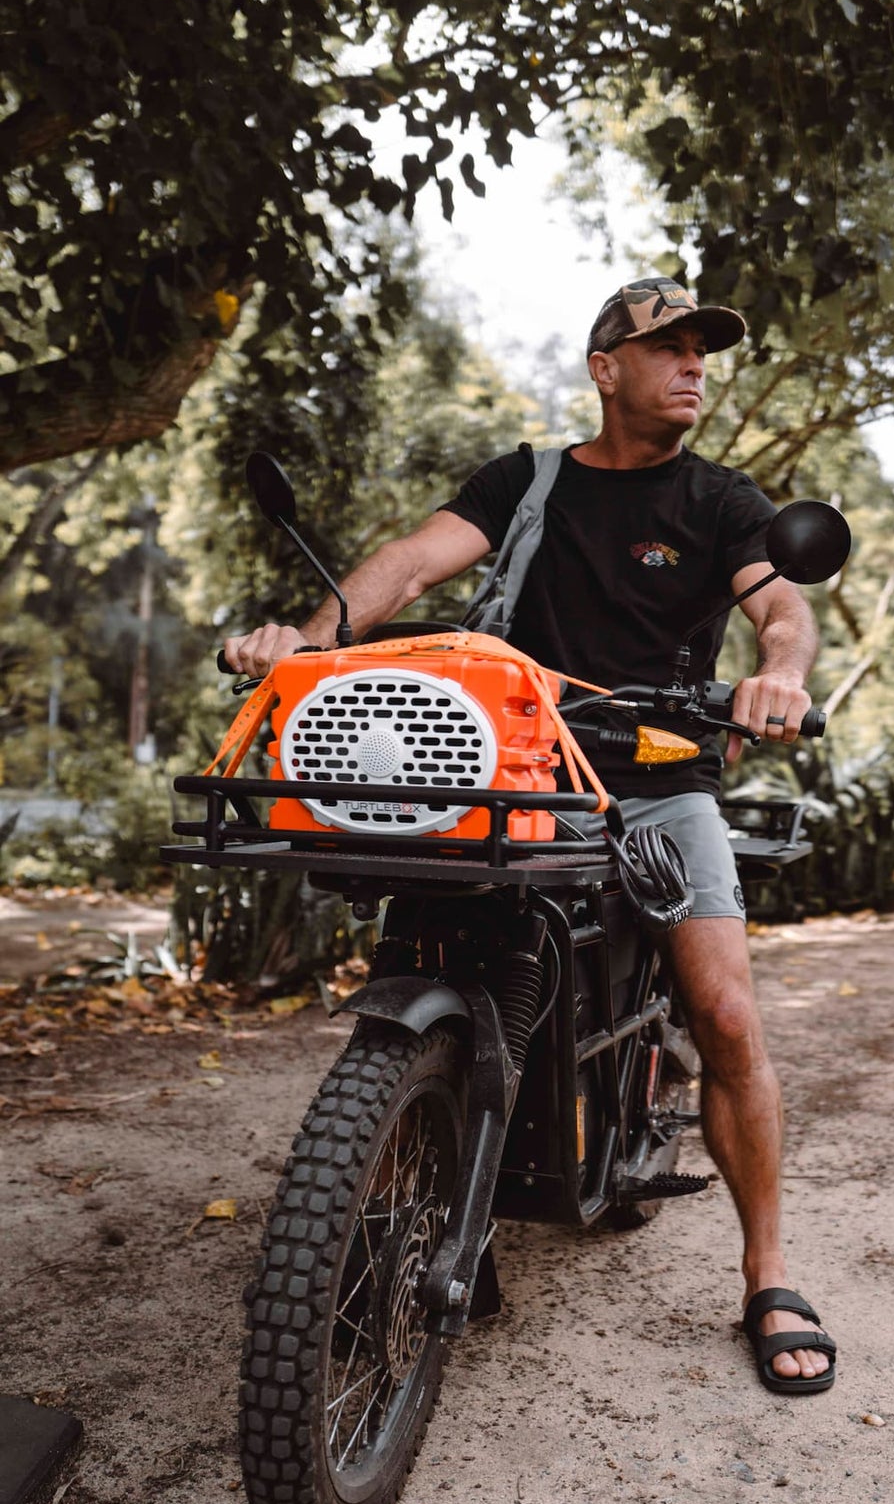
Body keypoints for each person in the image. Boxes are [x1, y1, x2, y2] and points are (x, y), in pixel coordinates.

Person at [224, 276, 837, 1396]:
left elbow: (777, 606)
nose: (692, 364)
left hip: (654, 778)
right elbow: (409, 562)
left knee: (728, 1012)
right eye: (666, 347)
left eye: (703, 348)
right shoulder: (528, 482)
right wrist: (306, 643)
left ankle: (766, 1270)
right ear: (606, 369)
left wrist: (779, 674)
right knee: (422, 934)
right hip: (512, 769)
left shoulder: (718, 500)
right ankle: (414, 1164)